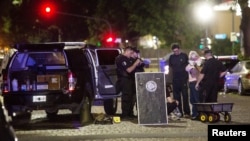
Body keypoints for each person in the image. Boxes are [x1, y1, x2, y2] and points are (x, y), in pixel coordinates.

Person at [115, 47, 142, 119]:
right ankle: (125, 114)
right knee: (126, 97)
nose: (131, 55)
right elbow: (129, 70)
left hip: (130, 80)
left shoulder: (128, 59)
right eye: (130, 53)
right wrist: (135, 63)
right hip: (124, 80)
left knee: (131, 96)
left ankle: (130, 113)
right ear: (127, 51)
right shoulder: (121, 58)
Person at [168, 43, 191, 118]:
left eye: (177, 51)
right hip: (175, 80)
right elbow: (171, 68)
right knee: (176, 97)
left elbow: (188, 66)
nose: (176, 52)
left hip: (183, 79)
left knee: (185, 96)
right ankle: (180, 112)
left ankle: (187, 112)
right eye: (174, 51)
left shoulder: (184, 56)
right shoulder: (171, 57)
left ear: (179, 49)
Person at [185, 51, 202, 120]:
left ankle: (198, 114)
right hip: (191, 82)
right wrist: (192, 65)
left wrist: (195, 65)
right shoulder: (190, 64)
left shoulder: (199, 63)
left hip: (196, 82)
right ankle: (194, 113)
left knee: (196, 99)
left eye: (194, 56)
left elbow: (196, 72)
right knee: (192, 100)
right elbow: (188, 69)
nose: (193, 58)